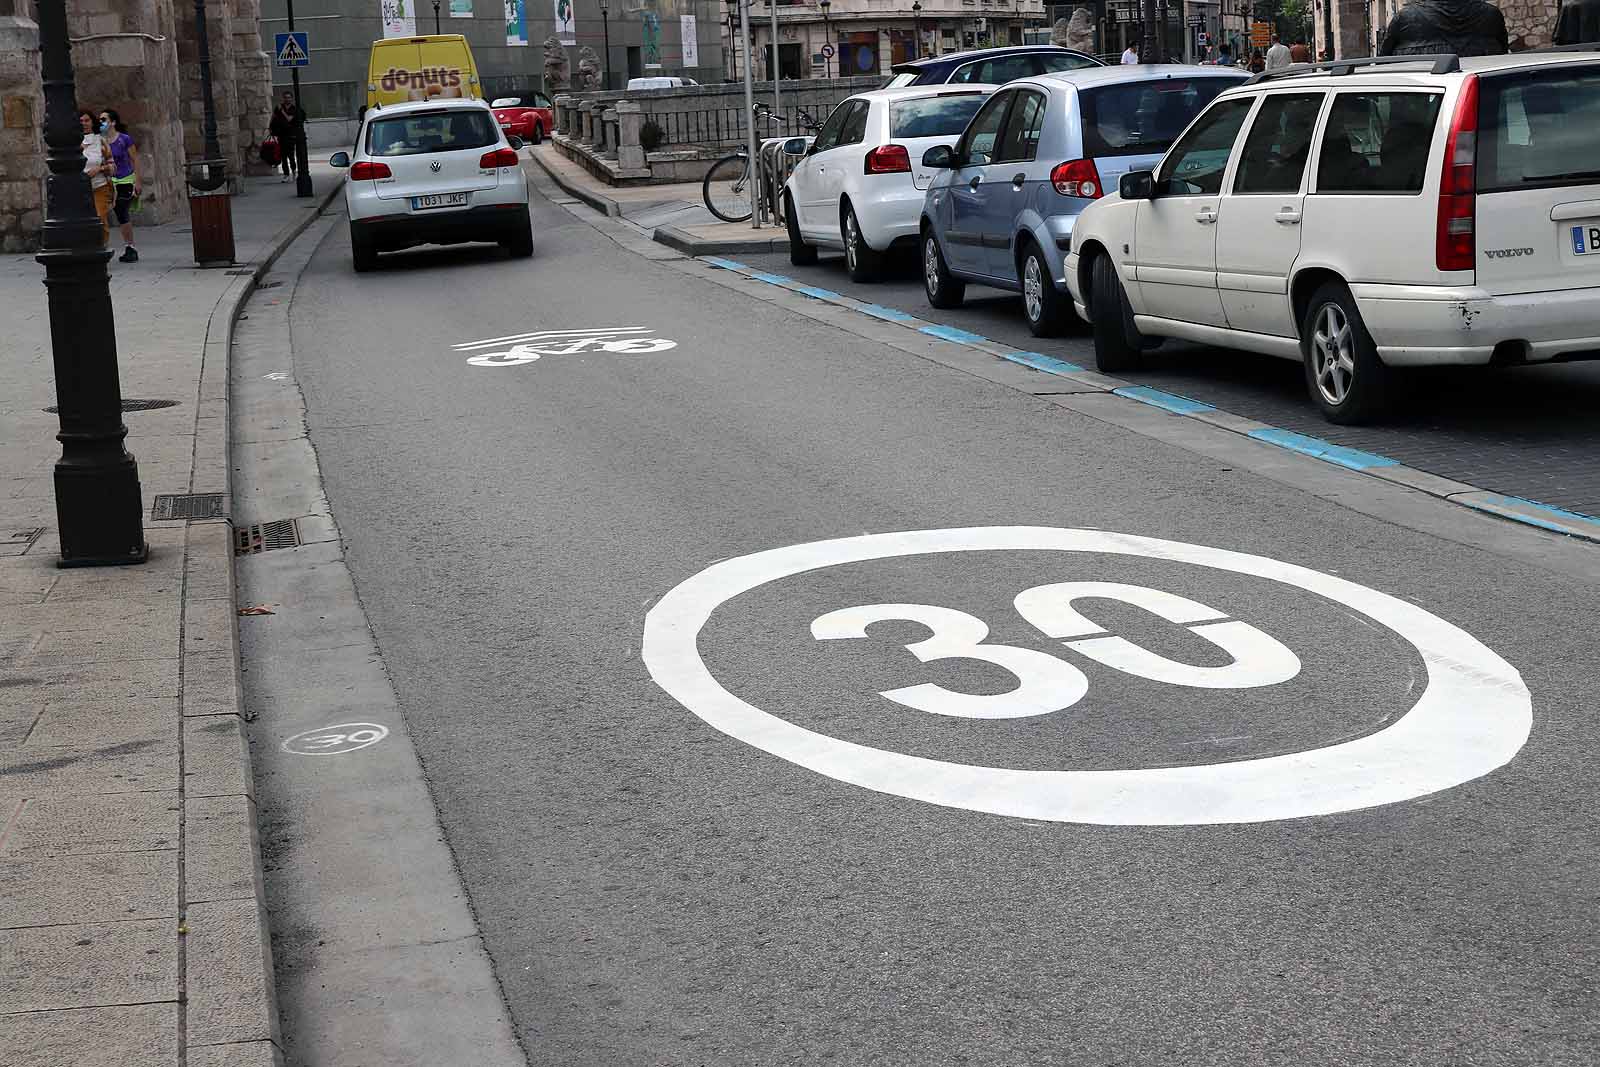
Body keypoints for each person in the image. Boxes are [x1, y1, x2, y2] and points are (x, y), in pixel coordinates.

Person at [99, 108, 141, 263]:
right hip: (109, 181)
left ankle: (130, 247)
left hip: (125, 180)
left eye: (104, 120)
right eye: (100, 120)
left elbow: (134, 159)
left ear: (113, 122)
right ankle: (102, 246)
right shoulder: (99, 140)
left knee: (121, 211)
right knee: (102, 212)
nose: (101, 122)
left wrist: (137, 181)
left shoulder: (124, 139)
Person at [78, 110, 113, 246]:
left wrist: (100, 168)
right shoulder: (72, 143)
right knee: (81, 221)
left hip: (99, 185)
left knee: (100, 217)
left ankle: (102, 246)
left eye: (87, 121)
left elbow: (112, 166)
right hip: (79, 188)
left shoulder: (101, 141)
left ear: (92, 122)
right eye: (80, 121)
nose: (84, 124)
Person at [269, 90, 304, 183]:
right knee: (283, 156)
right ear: (283, 98)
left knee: (291, 155)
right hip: (281, 135)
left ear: (291, 98)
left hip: (291, 135)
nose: (287, 99)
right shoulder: (279, 107)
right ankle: (286, 174)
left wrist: (282, 111)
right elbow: (273, 117)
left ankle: (293, 171)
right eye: (285, 97)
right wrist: (271, 127)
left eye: (289, 97)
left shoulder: (294, 109)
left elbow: (289, 119)